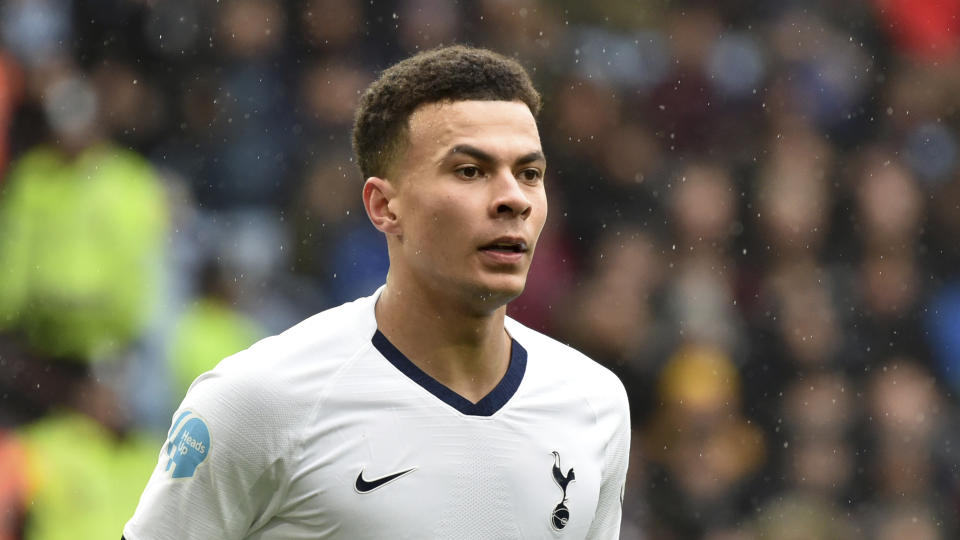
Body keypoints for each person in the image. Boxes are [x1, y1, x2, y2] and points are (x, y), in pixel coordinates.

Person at [123, 45, 630, 540]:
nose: (513, 199)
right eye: (470, 171)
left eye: (529, 174)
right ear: (384, 207)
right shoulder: (259, 401)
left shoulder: (595, 404)